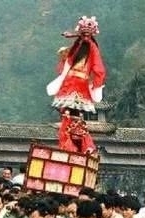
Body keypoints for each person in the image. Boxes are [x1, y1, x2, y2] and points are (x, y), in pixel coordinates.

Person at [47, 16, 105, 154]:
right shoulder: (79, 46)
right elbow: (97, 69)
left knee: (72, 115)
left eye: (87, 34)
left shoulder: (89, 47)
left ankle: (75, 147)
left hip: (78, 84)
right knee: (68, 114)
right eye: (83, 34)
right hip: (71, 82)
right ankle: (74, 146)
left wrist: (96, 84)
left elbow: (98, 69)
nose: (85, 36)